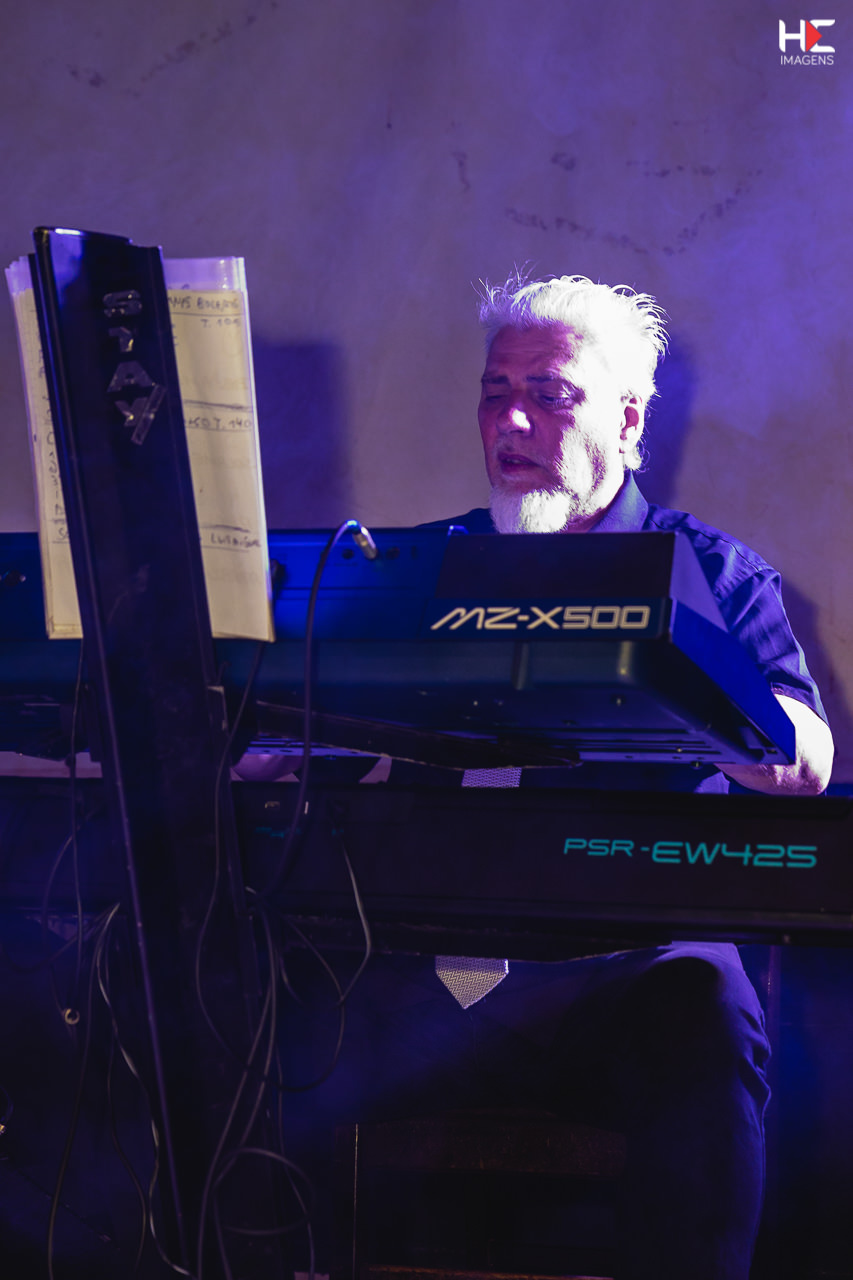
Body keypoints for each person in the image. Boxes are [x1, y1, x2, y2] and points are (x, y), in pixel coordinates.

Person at [280, 274, 834, 1280]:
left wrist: (677, 678)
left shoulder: (711, 572)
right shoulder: (425, 565)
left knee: (705, 1011)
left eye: (550, 393)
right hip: (420, 964)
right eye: (494, 392)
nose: (512, 420)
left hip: (622, 969)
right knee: (245, 999)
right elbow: (310, 731)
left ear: (627, 420)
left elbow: (803, 759)